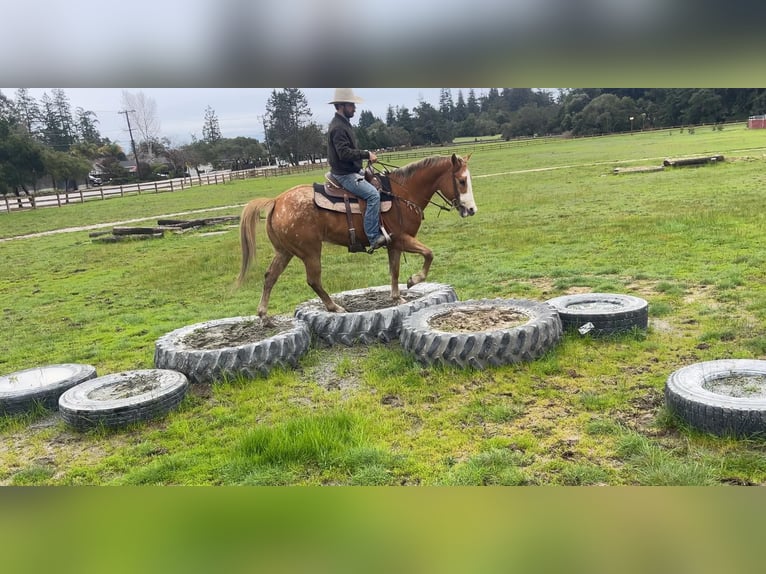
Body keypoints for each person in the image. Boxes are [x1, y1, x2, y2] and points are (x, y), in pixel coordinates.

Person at [327, 88, 389, 253]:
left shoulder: (344, 124)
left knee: (380, 180)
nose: (355, 108)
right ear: (341, 106)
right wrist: (366, 154)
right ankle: (373, 237)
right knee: (373, 195)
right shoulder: (338, 127)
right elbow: (344, 153)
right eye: (351, 105)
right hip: (344, 174)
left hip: (352, 170)